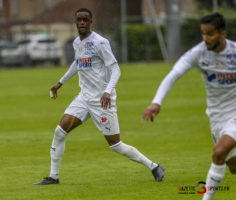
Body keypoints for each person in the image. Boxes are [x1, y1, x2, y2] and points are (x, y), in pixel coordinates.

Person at [34, 8, 165, 185]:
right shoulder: (76, 43)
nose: (82, 23)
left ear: (90, 22)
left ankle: (154, 166)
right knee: (60, 131)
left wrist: (107, 91)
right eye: (79, 19)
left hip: (102, 101)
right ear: (75, 22)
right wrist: (60, 82)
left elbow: (115, 69)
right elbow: (77, 63)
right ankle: (53, 177)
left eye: (85, 20)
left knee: (116, 145)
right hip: (84, 98)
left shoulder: (100, 43)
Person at [142, 12, 236, 200]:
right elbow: (173, 75)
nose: (205, 38)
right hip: (217, 117)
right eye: (203, 33)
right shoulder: (198, 53)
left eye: (210, 34)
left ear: (222, 34)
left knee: (218, 153)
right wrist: (156, 102)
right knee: (233, 167)